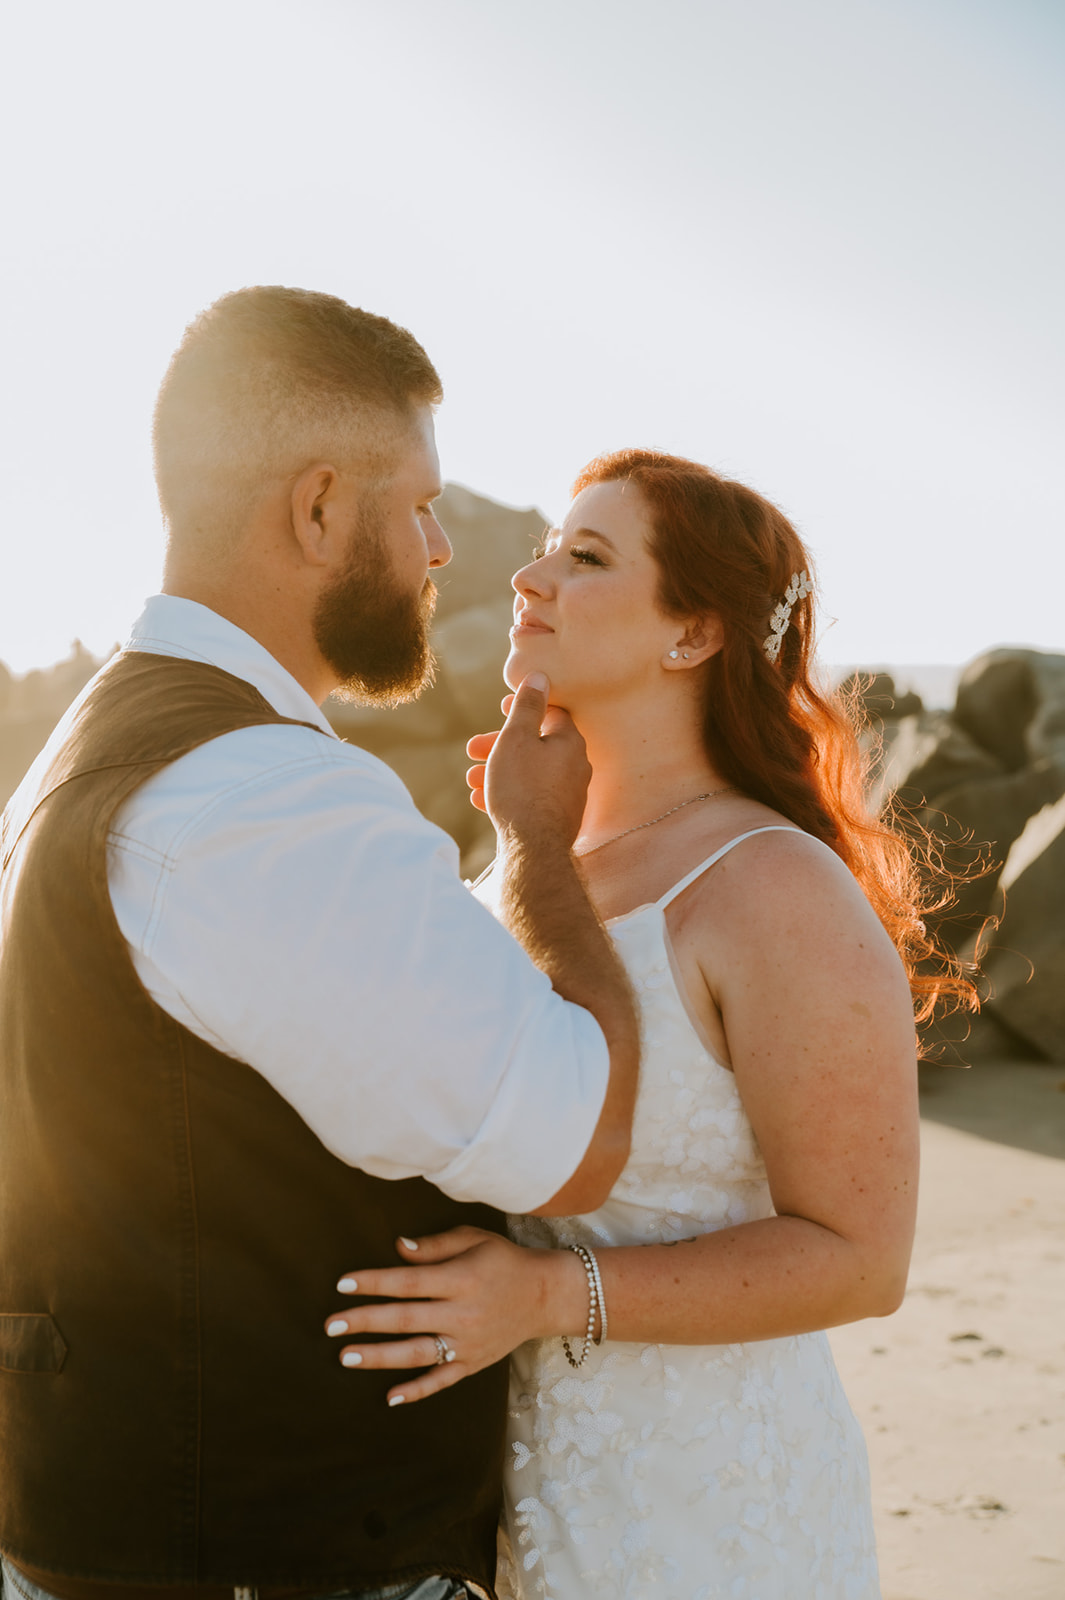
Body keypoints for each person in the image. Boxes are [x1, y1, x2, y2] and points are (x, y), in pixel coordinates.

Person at [0, 289, 641, 1600]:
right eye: (418, 509)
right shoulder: (257, 797)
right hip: (273, 1560)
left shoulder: (85, 752)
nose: (440, 551)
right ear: (317, 508)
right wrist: (535, 856)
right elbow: (576, 1138)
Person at [319, 449, 977, 1599]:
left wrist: (539, 1296)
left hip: (707, 1512)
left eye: (586, 557)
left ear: (695, 632)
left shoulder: (772, 885)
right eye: (548, 549)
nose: (528, 577)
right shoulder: (527, 861)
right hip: (502, 1497)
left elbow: (862, 1259)